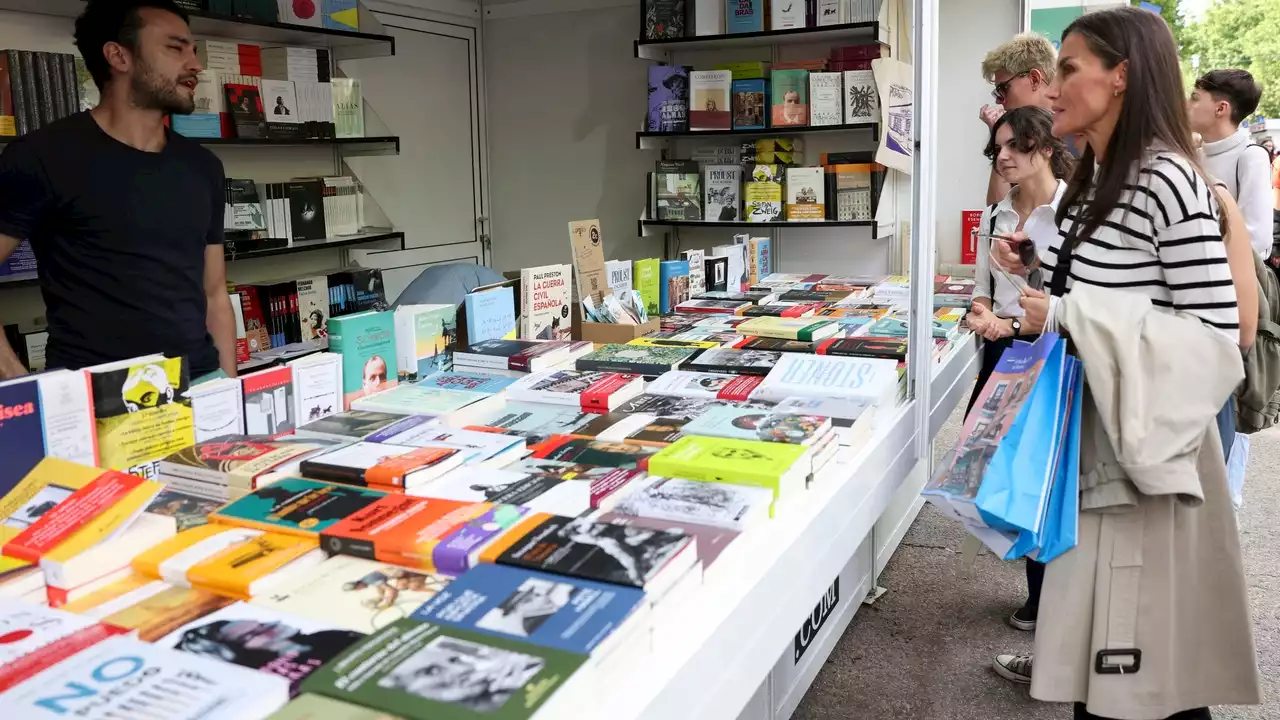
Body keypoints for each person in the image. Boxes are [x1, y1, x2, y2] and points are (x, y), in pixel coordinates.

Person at [987, 9, 1261, 719]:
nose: (1052, 92)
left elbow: (1216, 335)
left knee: (1139, 683)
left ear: (1123, 76)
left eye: (1069, 69)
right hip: (1101, 449)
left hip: (1143, 462)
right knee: (1114, 681)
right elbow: (1123, 286)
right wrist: (1045, 266)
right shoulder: (1101, 177)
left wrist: (1071, 313)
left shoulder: (1167, 179)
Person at [0, 0, 236, 382]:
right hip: (99, 398)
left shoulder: (202, 165)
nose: (196, 64)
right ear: (118, 56)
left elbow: (214, 294)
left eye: (193, 50)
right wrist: (19, 383)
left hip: (200, 386)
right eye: (176, 48)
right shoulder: (43, 157)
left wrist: (228, 388)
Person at [964, 105, 1074, 634]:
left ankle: (1045, 598)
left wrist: (1014, 326)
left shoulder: (1074, 213)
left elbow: (1073, 300)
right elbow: (980, 289)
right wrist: (983, 313)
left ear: (1046, 148)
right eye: (998, 148)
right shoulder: (993, 215)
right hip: (1002, 354)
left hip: (1054, 353)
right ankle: (1040, 590)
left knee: (1042, 472)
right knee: (990, 466)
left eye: (1016, 146)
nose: (1004, 157)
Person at [1187, 69, 1273, 256]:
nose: (1187, 104)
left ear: (1221, 108)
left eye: (1195, 98)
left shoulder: (1251, 157)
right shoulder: (1194, 156)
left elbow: (1257, 239)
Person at [979, 32, 1060, 204]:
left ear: (1034, 79)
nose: (1000, 101)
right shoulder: (1019, 133)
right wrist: (1000, 142)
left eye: (1003, 88)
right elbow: (996, 215)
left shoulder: (1075, 131)